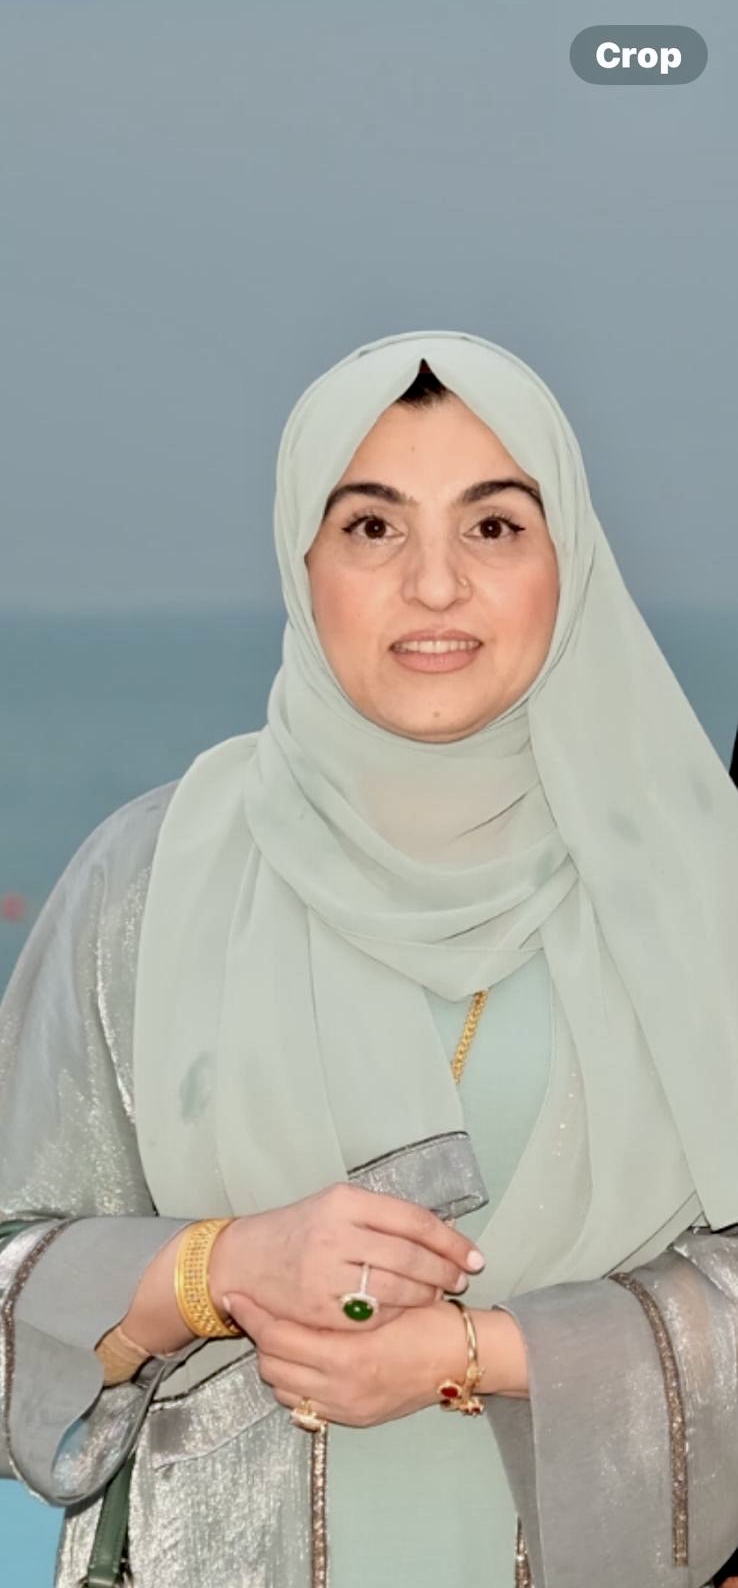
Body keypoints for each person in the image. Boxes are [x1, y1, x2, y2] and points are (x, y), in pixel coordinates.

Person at [1, 328, 738, 1588]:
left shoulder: (699, 889)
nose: (434, 584)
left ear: (569, 561)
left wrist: (480, 1352)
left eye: (494, 526)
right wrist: (215, 1267)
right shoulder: (147, 881)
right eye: (373, 527)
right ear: (304, 563)